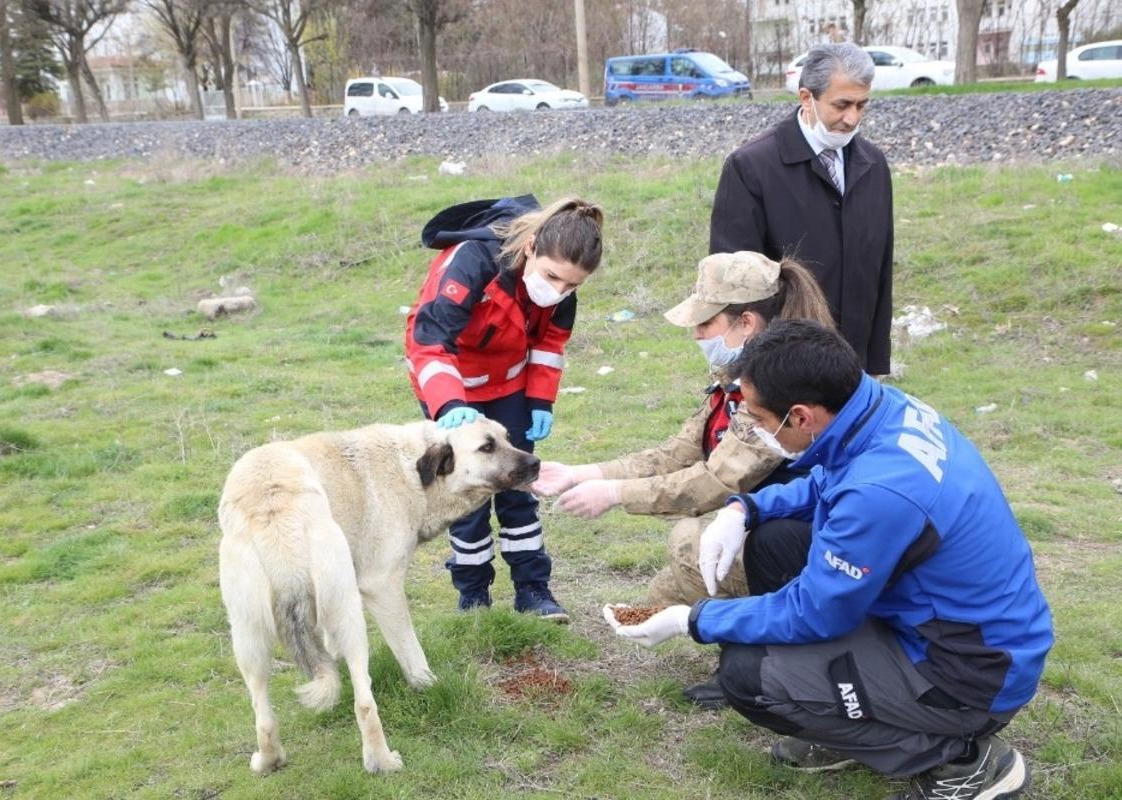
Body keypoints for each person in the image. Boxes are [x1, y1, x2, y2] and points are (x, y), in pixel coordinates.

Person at [606, 320, 1053, 800]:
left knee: (749, 674)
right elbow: (828, 480)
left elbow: (812, 612)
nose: (753, 428)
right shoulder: (879, 409)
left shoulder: (879, 492)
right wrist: (745, 508)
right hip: (947, 620)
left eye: (757, 418)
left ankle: (962, 761)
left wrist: (690, 619)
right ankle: (848, 717)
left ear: (800, 417)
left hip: (965, 672)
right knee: (772, 543)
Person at [532, 251, 833, 610]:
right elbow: (679, 452)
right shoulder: (740, 375)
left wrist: (614, 493)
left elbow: (713, 484)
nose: (695, 335)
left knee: (689, 547)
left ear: (747, 323)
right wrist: (581, 474)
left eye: (705, 324)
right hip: (769, 520)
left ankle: (767, 639)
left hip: (803, 535)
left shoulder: (777, 390)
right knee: (661, 597)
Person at [405, 194, 604, 622]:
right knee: (468, 489)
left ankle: (533, 590)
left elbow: (549, 345)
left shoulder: (560, 284)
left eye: (571, 286)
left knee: (519, 484)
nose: (559, 292)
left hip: (509, 385)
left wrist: (539, 400)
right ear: (530, 246)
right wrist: (449, 404)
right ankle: (473, 593)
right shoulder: (470, 262)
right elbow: (429, 343)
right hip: (451, 384)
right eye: (552, 277)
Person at [709, 43, 893, 376]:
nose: (852, 118)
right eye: (842, 105)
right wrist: (749, 373)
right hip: (784, 367)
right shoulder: (751, 167)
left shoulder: (873, 165)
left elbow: (879, 271)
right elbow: (733, 283)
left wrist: (874, 362)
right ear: (806, 98)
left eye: (862, 105)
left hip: (854, 363)